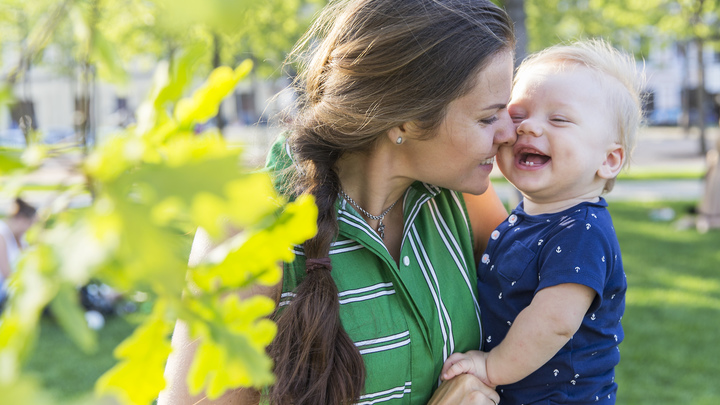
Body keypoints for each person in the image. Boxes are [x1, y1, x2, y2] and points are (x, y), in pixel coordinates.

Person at [159, 0, 517, 404]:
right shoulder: (249, 229)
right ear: (405, 120)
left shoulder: (461, 202)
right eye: (489, 118)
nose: (510, 133)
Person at [441, 39, 644, 404]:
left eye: (559, 119)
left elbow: (553, 322)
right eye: (517, 115)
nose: (527, 128)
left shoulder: (582, 232)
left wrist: (490, 368)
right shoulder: (528, 217)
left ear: (609, 160)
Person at [0, 197, 37, 308]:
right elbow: (6, 272)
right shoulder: (2, 234)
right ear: (21, 219)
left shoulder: (20, 237)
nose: (30, 228)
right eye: (29, 223)